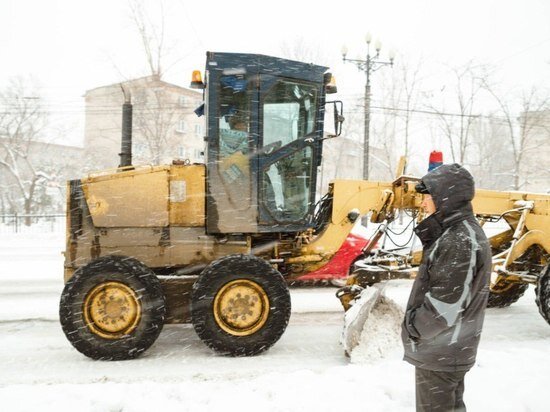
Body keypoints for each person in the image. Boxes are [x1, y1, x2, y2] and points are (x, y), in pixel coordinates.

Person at [401, 163, 492, 412]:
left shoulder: (459, 239)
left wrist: (413, 327)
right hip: (447, 349)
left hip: (442, 350)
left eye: (427, 197)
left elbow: (444, 307)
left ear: (445, 197)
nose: (423, 204)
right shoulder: (456, 234)